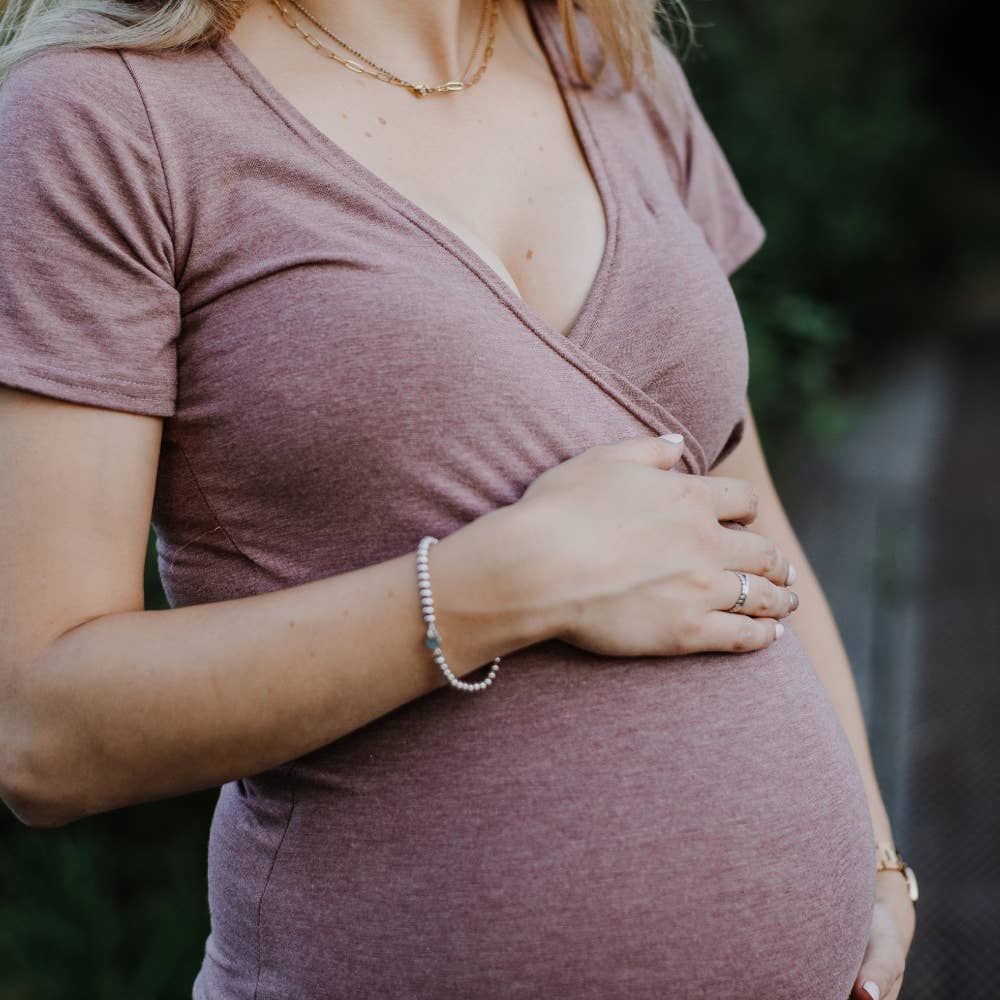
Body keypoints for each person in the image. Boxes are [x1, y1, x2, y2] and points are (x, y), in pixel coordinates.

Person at [0, 0, 916, 996]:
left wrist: (874, 857)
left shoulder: (608, 60)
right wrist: (504, 585)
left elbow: (748, 525)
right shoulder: (104, 114)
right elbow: (43, 728)